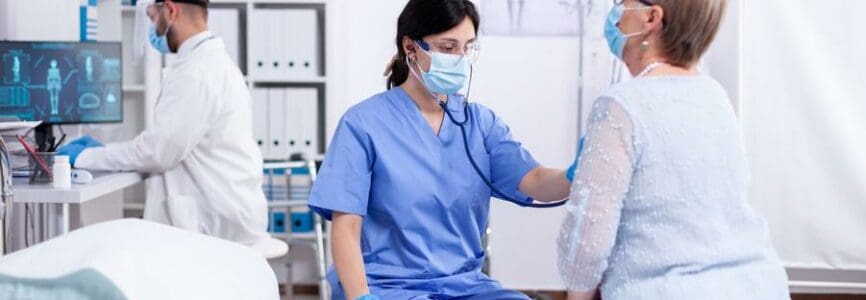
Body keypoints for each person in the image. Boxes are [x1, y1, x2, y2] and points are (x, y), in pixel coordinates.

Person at [308, 1, 574, 299]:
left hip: (465, 286)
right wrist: (361, 297)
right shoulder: (363, 124)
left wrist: (578, 173)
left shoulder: (480, 124)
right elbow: (346, 229)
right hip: (387, 286)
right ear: (411, 47)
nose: (459, 58)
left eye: (467, 47)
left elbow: (536, 182)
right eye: (448, 48)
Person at [556, 0, 790, 299]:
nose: (614, 11)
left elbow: (587, 243)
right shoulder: (714, 96)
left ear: (651, 18)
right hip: (757, 284)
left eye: (621, 3)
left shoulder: (620, 106)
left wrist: (577, 293)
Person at [57, 0, 269, 246]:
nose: (151, 27)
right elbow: (165, 144)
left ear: (170, 10)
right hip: (228, 209)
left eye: (152, 16)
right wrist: (103, 153)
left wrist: (86, 157)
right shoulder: (211, 64)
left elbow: (158, 153)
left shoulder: (196, 72)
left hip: (216, 220)